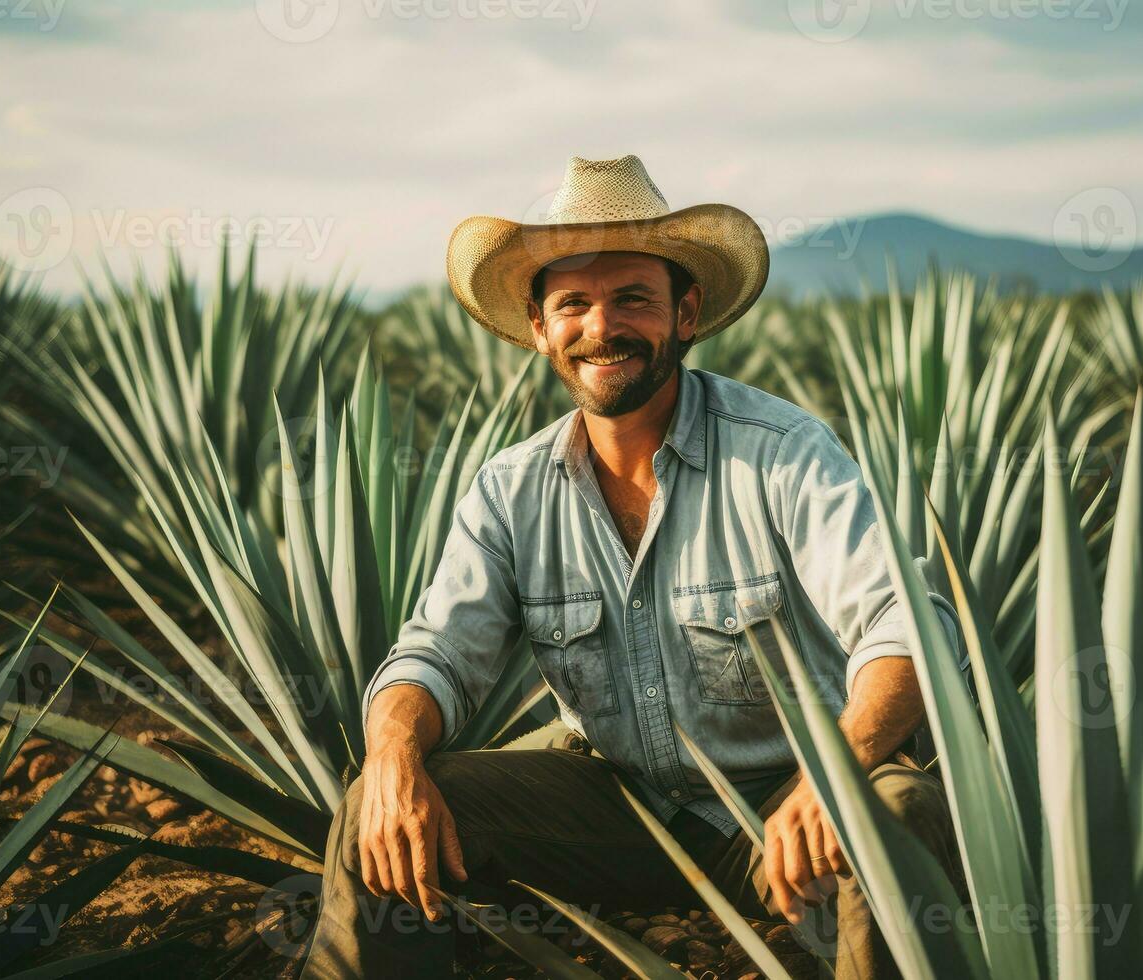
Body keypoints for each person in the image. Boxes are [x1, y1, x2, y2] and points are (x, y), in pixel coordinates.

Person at [302, 154, 965, 979]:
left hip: (781, 805)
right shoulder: (514, 490)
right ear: (541, 330)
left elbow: (907, 623)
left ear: (686, 315)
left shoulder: (784, 456)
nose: (601, 327)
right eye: (572, 303)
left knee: (895, 813)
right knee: (380, 805)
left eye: (633, 300)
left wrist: (835, 776)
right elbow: (436, 653)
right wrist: (394, 757)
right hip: (609, 804)